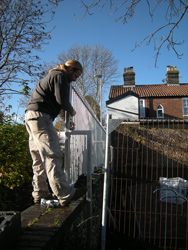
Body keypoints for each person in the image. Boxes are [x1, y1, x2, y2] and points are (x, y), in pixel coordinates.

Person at [25, 60, 87, 206]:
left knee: (38, 158)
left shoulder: (53, 76)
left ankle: (40, 194)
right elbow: (62, 101)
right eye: (76, 76)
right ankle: (65, 194)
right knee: (52, 154)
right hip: (41, 117)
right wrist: (72, 111)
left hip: (31, 116)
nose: (75, 79)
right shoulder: (60, 76)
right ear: (70, 69)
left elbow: (58, 103)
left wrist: (66, 119)